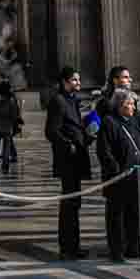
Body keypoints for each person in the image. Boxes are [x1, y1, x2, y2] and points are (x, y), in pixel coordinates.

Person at [46, 66, 91, 259]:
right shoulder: (58, 101)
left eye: (79, 80)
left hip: (77, 157)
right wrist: (68, 145)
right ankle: (67, 247)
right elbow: (51, 131)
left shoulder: (72, 100)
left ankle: (74, 245)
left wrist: (88, 135)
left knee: (74, 203)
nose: (78, 84)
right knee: (69, 204)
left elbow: (74, 127)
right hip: (68, 160)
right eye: (75, 80)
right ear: (65, 82)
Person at [97, 89, 140, 261]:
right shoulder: (109, 122)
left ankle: (134, 247)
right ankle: (117, 250)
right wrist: (116, 170)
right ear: (118, 105)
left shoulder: (133, 121)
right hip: (117, 177)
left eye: (133, 104)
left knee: (134, 214)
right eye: (128, 104)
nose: (132, 107)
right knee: (116, 216)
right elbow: (104, 150)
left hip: (135, 176)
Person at [0, 78, 23, 174]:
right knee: (6, 148)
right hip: (7, 127)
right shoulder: (10, 100)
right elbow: (13, 115)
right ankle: (5, 166)